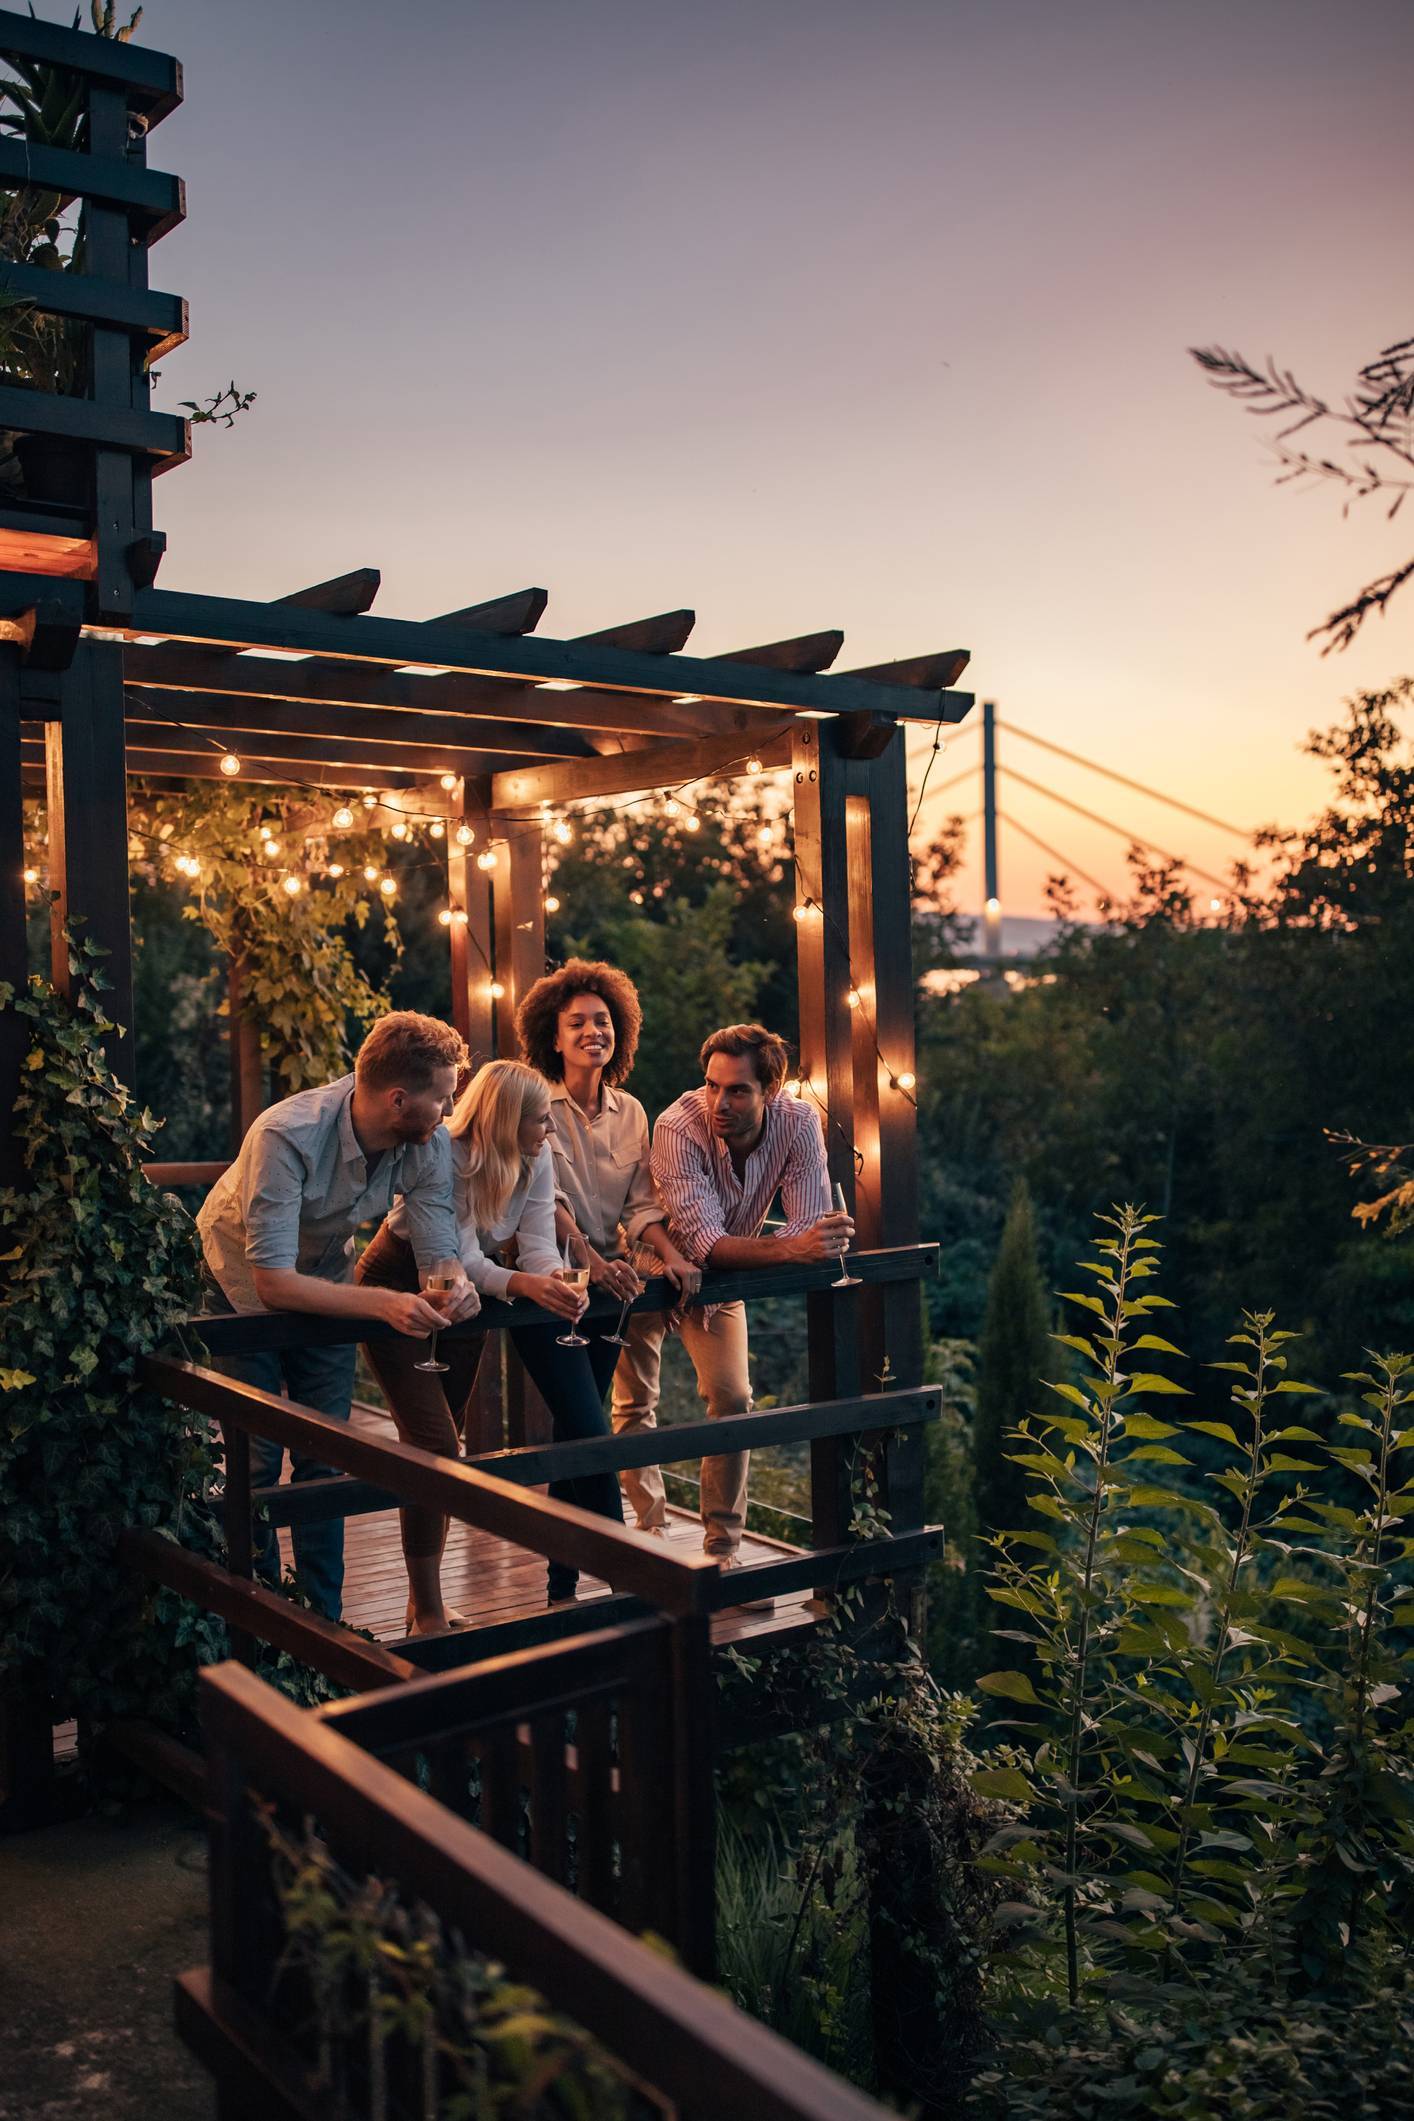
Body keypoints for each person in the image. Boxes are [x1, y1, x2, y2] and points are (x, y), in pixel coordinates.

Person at [196, 1010, 478, 1619]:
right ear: (399, 1099)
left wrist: (453, 1286)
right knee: (258, 1462)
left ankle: (322, 1620)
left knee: (325, 1459)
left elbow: (438, 1249)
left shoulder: (423, 1143)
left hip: (326, 1282)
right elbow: (272, 1283)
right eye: (444, 1099)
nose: (451, 1113)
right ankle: (264, 1617)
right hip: (238, 1289)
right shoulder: (287, 1134)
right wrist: (383, 1305)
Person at [356, 1057, 625, 1627]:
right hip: (402, 1281)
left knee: (443, 1440)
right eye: (539, 1122)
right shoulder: (444, 1156)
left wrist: (552, 1281)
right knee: (434, 1444)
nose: (550, 1131)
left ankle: (420, 1599)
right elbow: (461, 1259)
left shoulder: (536, 1158)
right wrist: (527, 1283)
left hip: (466, 1307)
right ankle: (427, 1608)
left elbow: (536, 1246)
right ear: (506, 1121)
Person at [624, 1023, 853, 1604]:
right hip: (648, 1266)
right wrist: (792, 1249)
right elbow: (702, 1240)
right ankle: (647, 1530)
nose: (720, 1102)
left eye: (738, 1091)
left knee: (733, 1399)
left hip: (724, 1281)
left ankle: (722, 1553)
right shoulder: (676, 1125)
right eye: (712, 1086)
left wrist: (801, 1244)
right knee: (635, 1398)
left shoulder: (800, 1121)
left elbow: (808, 1225)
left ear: (771, 1091)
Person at [515, 959, 702, 1536]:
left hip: (608, 1295)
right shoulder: (532, 1105)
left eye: (603, 1021)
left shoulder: (632, 1113)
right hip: (548, 1286)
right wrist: (593, 1264)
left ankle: (563, 1585)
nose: (594, 1031)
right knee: (590, 1432)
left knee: (577, 1433)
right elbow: (543, 1204)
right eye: (578, 1023)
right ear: (553, 1036)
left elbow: (641, 1206)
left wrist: (671, 1256)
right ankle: (629, 1573)